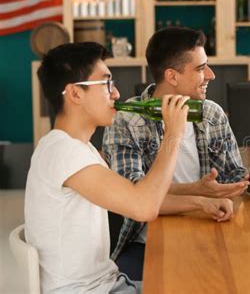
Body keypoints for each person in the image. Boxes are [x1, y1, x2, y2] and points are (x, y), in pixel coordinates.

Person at [24, 42, 232, 293]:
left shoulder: (78, 149)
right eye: (106, 84)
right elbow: (144, 207)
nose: (116, 94)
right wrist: (173, 134)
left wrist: (201, 202)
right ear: (75, 94)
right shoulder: (64, 153)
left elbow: (137, 196)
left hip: (109, 283)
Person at [102, 27, 250, 280]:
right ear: (171, 76)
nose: (211, 75)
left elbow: (233, 177)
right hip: (147, 243)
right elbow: (133, 194)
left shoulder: (212, 113)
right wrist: (198, 192)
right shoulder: (127, 121)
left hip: (212, 229)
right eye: (200, 68)